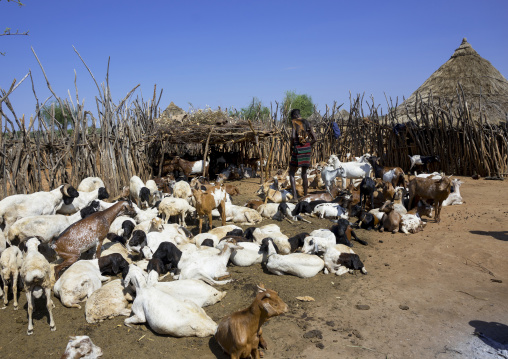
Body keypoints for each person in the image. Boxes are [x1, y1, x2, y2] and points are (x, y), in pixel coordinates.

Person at [288, 109, 317, 202]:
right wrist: (308, 145)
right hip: (307, 149)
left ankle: (295, 197)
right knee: (304, 173)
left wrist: (293, 146)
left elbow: (293, 137)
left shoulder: (295, 122)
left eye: (292, 117)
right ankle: (305, 197)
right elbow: (315, 138)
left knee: (291, 172)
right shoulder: (307, 123)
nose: (292, 119)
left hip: (298, 149)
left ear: (295, 116)